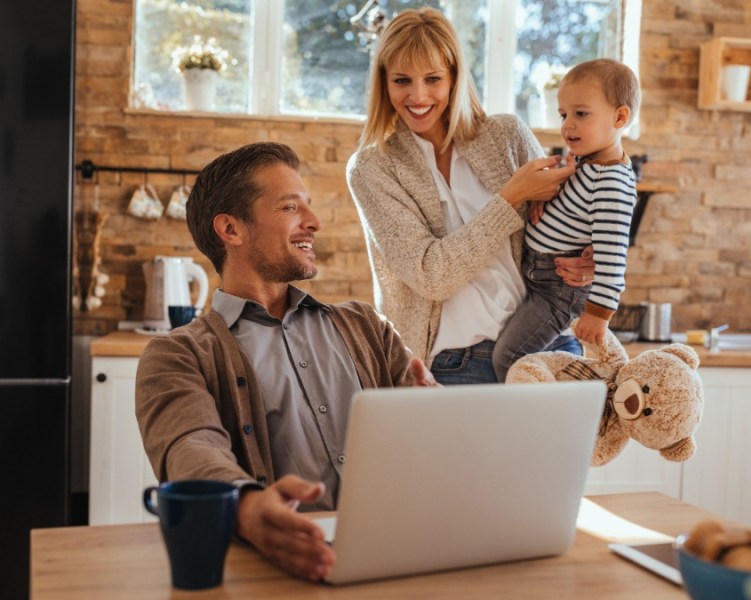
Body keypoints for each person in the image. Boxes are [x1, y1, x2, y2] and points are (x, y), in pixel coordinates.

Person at [135, 142, 438, 582]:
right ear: (231, 230)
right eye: (290, 207)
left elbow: (427, 429)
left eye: (307, 207)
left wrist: (436, 414)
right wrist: (246, 505)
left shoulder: (366, 326)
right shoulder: (178, 355)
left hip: (398, 558)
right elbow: (190, 447)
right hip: (277, 573)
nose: (313, 223)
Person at [346, 7, 595, 385]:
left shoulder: (507, 136)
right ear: (384, 83)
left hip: (549, 347)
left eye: (432, 79)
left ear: (454, 78)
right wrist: (509, 198)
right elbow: (431, 275)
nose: (418, 95)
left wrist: (587, 261)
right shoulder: (372, 169)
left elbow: (565, 225)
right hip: (458, 366)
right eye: (402, 80)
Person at [492, 59, 640, 382]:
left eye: (581, 114)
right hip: (538, 275)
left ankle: (545, 422)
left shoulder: (611, 182)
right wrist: (540, 201)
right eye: (564, 114)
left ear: (620, 117)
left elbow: (614, 257)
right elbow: (567, 207)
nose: (568, 125)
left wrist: (597, 314)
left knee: (509, 357)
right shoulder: (586, 163)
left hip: (556, 289)